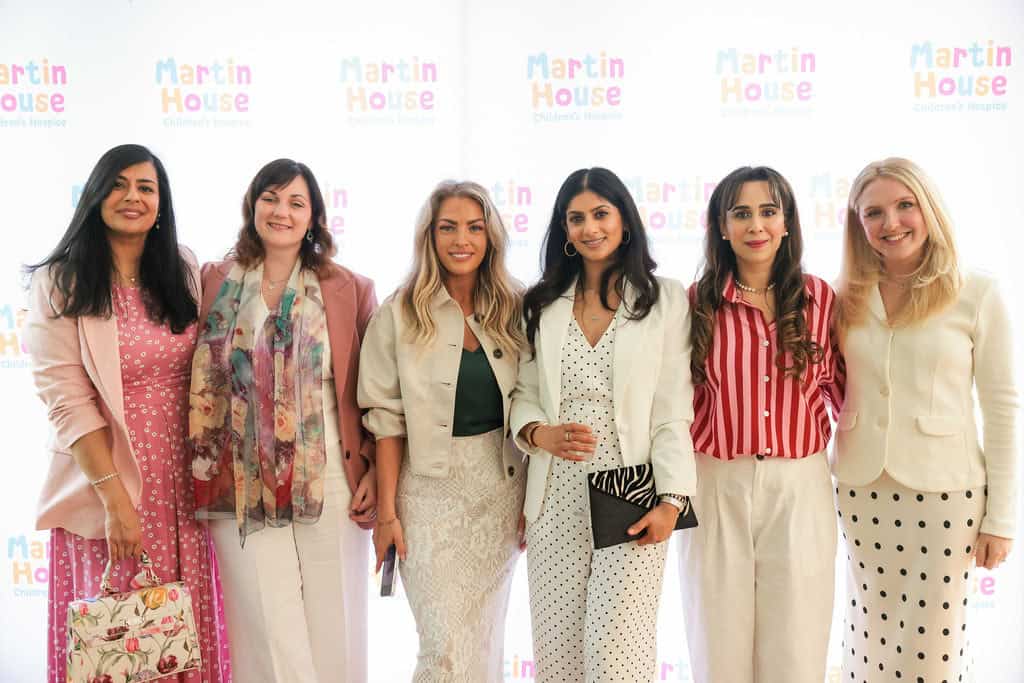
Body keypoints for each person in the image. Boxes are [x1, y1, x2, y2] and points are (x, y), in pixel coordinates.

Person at [24, 143, 228, 682]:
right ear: (94, 197)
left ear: (161, 203)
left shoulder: (181, 268)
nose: (131, 197)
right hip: (106, 481)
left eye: (145, 187)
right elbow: (67, 401)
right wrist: (116, 501)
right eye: (117, 185)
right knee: (118, 644)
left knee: (178, 635)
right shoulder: (61, 282)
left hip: (182, 485)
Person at [188, 158, 377, 683]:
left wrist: (374, 469)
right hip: (238, 480)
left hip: (331, 477)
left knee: (336, 623)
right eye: (271, 198)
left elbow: (378, 392)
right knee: (267, 629)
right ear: (252, 206)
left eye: (296, 202)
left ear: (314, 216)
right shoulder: (211, 281)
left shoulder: (350, 288)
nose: (282, 212)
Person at [833, 157, 1017, 681]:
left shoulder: (976, 291)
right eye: (873, 212)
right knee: (868, 638)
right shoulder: (842, 296)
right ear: (858, 224)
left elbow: (1002, 408)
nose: (891, 223)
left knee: (933, 650)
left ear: (928, 208)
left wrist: (1001, 519)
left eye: (904, 205)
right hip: (861, 491)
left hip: (945, 499)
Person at [511, 167, 695, 682]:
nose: (590, 228)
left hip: (632, 491)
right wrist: (538, 434)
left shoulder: (665, 299)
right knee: (559, 656)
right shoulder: (540, 304)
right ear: (564, 231)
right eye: (576, 219)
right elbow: (524, 394)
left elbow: (673, 408)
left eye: (600, 214)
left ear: (624, 220)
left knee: (618, 658)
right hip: (555, 494)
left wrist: (672, 500)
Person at [677, 166, 843, 683]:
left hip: (800, 485)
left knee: (796, 648)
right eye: (741, 213)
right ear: (721, 227)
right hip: (715, 483)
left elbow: (842, 390)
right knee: (718, 648)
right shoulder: (695, 303)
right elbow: (675, 400)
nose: (756, 225)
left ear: (787, 222)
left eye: (769, 211)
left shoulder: (821, 299)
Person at [359, 180, 526, 682]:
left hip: (500, 493)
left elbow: (534, 405)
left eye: (474, 228)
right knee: (442, 647)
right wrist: (387, 514)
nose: (461, 240)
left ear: (491, 237)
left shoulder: (516, 307)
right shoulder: (399, 312)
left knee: (482, 642)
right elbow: (386, 422)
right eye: (448, 227)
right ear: (429, 236)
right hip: (426, 496)